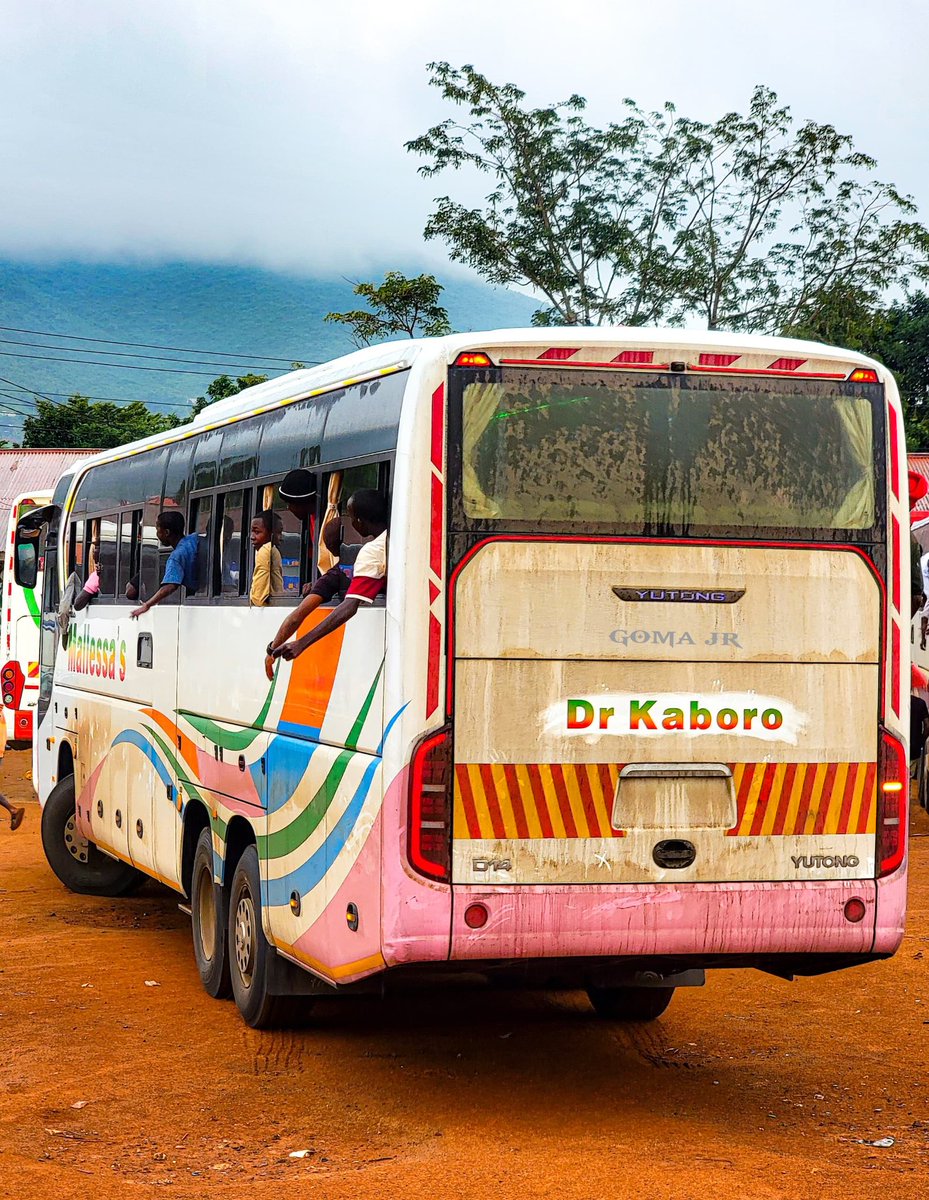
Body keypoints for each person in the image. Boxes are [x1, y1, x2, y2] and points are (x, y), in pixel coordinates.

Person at [272, 489, 387, 665]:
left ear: (359, 522)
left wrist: (301, 643)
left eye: (351, 518)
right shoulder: (387, 542)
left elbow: (349, 606)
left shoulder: (372, 551)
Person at [264, 518, 348, 679]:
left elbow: (296, 617)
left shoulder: (335, 575)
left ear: (327, 548)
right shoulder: (375, 558)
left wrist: (271, 650)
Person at [130, 511, 199, 617]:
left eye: (157, 530)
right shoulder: (195, 538)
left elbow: (170, 586)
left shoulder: (176, 557)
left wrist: (147, 605)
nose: (157, 534)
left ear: (166, 532)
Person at [278, 469, 318, 595]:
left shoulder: (321, 519)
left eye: (290, 503)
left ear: (302, 502)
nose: (288, 508)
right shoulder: (311, 519)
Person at [249, 510, 284, 606]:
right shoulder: (273, 550)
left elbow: (258, 598)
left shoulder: (265, 550)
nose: (252, 537)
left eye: (257, 532)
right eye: (252, 532)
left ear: (271, 534)